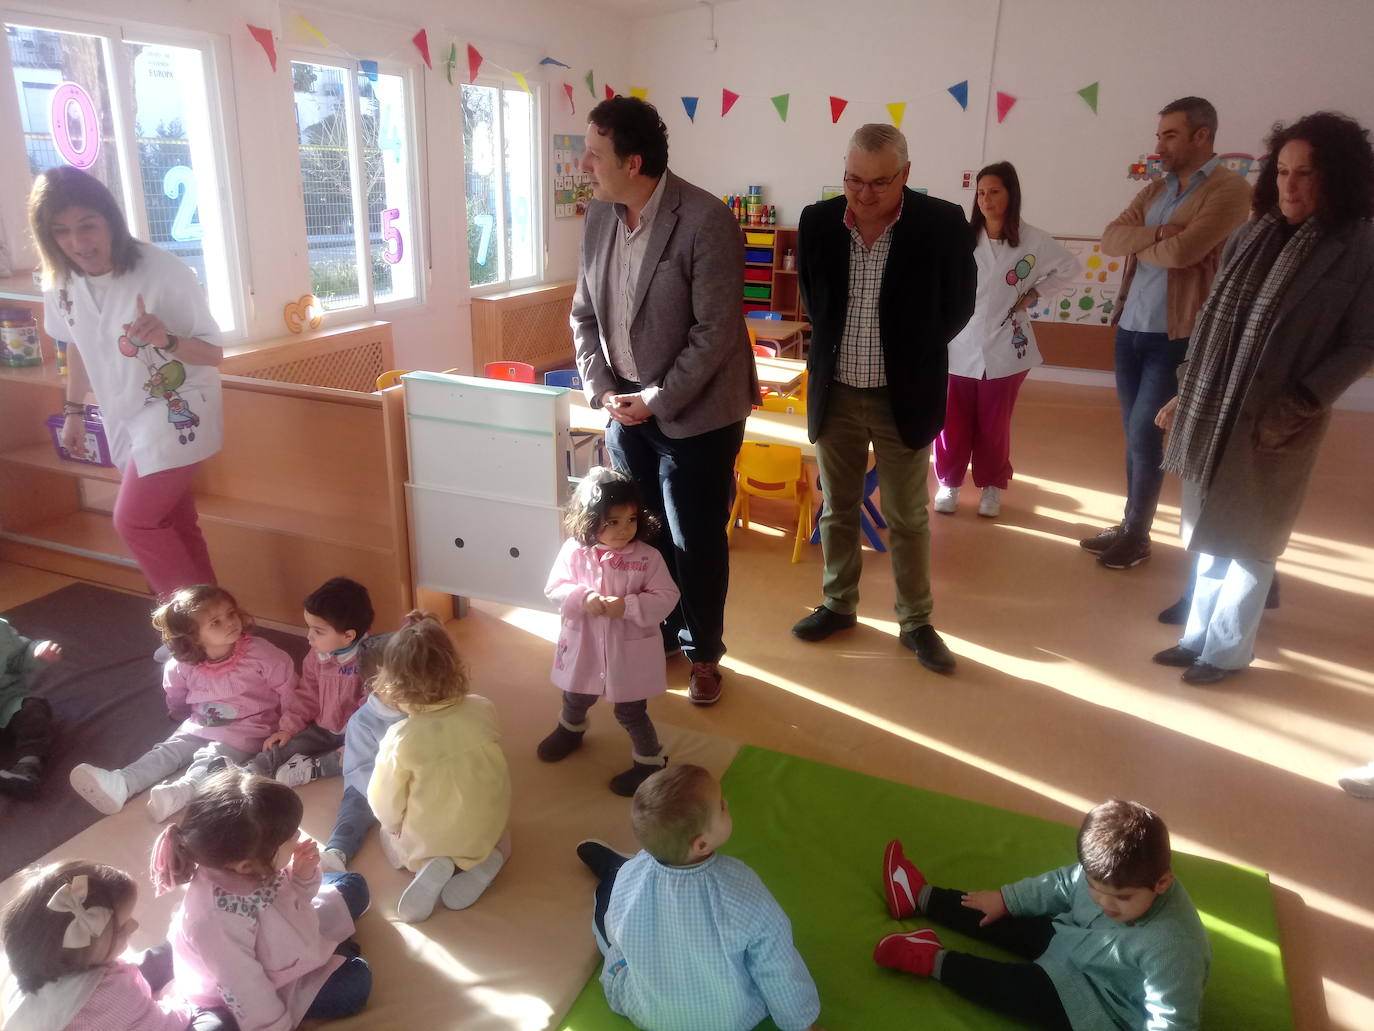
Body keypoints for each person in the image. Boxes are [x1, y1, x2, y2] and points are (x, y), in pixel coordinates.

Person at [1152, 111, 1374, 685]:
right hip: (1212, 406)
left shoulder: (1360, 248)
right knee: (1206, 532)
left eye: (1306, 174)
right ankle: (1196, 636)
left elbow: (1361, 343)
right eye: (1282, 172)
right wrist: (1185, 392)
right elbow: (1210, 322)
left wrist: (1303, 399)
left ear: (1339, 178)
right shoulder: (1251, 235)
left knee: (1252, 540)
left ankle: (1226, 652)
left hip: (1281, 418)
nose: (1290, 186)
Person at [571, 96, 758, 706]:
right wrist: (602, 388)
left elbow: (716, 333)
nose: (584, 166)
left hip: (696, 415)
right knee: (640, 535)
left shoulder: (705, 220)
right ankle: (662, 636)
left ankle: (704, 652)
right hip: (624, 410)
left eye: (594, 154)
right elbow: (584, 316)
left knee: (693, 539)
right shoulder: (600, 218)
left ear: (634, 160)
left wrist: (654, 398)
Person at [791, 124, 975, 674]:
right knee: (838, 509)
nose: (863, 194)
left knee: (908, 516)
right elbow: (812, 301)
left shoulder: (941, 223)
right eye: (852, 180)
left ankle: (916, 619)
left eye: (878, 182)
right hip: (837, 393)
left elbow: (959, 305)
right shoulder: (818, 222)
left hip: (905, 396)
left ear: (905, 175)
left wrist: (912, 355)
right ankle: (837, 604)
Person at [29, 166, 223, 601]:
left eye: (88, 226)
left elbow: (214, 355)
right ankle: (225, 631)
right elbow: (75, 343)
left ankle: (194, 636)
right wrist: (74, 412)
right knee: (174, 523)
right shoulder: (60, 279)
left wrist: (167, 339)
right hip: (122, 412)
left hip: (178, 409)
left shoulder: (162, 271)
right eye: (61, 232)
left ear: (110, 221)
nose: (78, 244)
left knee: (134, 520)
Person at [1085, 97, 1251, 570]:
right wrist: (1160, 235)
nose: (1158, 145)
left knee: (1144, 433)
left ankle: (1137, 535)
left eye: (1169, 135)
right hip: (1131, 328)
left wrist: (1156, 242)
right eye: (1159, 135)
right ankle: (1129, 522)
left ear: (1202, 136)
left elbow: (1187, 253)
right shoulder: (1156, 190)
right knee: (1132, 434)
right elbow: (1111, 238)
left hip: (1175, 334)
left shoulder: (1228, 190)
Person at [874, 800, 1209, 1030]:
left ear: (1162, 883)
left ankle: (931, 959)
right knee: (1001, 917)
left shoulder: (1174, 949)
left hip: (1098, 1004)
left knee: (1013, 989)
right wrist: (1006, 899)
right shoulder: (1101, 876)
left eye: (1122, 897)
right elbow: (1062, 884)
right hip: (1073, 940)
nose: (1106, 903)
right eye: (1095, 889)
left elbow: (1172, 1021)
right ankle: (919, 896)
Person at [576, 764, 823, 1031]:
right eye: (721, 805)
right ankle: (610, 870)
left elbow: (617, 935)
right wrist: (802, 1024)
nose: (726, 802)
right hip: (731, 1019)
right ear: (701, 844)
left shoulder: (630, 879)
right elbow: (777, 963)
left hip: (652, 1014)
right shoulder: (742, 888)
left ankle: (610, 870)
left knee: (610, 909)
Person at [152, 769, 371, 1030]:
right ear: (246, 866)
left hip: (285, 932)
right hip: (260, 980)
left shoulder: (248, 860)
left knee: (353, 885)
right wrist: (276, 1025)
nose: (298, 838)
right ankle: (333, 951)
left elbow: (289, 898)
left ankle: (332, 948)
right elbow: (246, 987)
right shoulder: (214, 920)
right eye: (290, 838)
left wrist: (301, 876)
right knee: (356, 983)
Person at [68, 585, 294, 822]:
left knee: (213, 758)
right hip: (204, 720)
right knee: (170, 750)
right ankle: (123, 782)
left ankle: (183, 791)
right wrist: (179, 713)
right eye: (215, 622)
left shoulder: (261, 653)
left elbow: (288, 687)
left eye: (231, 614)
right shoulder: (182, 664)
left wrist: (288, 727)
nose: (230, 623)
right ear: (193, 636)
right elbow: (176, 692)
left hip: (252, 726)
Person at [934, 162, 1078, 518]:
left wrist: (1036, 293)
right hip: (958, 347)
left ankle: (992, 487)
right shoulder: (962, 237)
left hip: (1006, 349)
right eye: (981, 193)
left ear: (1011, 194)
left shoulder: (1033, 240)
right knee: (951, 422)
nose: (985, 199)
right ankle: (949, 484)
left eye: (994, 191)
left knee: (994, 425)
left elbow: (1071, 268)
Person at [538, 468, 680, 796]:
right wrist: (582, 597)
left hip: (627, 650)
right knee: (576, 694)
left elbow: (667, 596)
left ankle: (649, 762)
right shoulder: (574, 552)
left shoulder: (647, 558)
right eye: (612, 522)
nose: (624, 530)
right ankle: (570, 729)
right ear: (588, 520)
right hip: (585, 643)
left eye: (630, 519)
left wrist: (628, 606)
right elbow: (555, 587)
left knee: (630, 709)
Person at [366, 612, 512, 923]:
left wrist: (391, 824)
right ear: (454, 668)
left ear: (394, 686)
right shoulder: (483, 708)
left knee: (388, 833)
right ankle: (488, 860)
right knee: (502, 837)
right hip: (485, 831)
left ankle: (422, 865)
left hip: (429, 842)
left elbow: (382, 800)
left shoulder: (401, 738)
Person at [0, 859, 236, 1031]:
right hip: (128, 1012)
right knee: (219, 1019)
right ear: (88, 948)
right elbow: (163, 1025)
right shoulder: (111, 994)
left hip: (96, 995)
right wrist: (183, 1000)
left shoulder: (40, 962)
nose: (134, 926)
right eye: (122, 927)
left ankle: (184, 941)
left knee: (156, 956)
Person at [247, 578, 378, 786]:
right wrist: (288, 729)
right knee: (284, 746)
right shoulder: (316, 656)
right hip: (322, 729)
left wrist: (356, 741)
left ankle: (313, 768)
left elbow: (371, 710)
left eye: (318, 631)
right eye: (309, 628)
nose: (309, 637)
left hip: (356, 734)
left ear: (348, 636)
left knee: (366, 756)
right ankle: (250, 771)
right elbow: (307, 695)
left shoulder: (372, 660)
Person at [0, 615, 61, 800]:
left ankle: (27, 767)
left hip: (8, 698)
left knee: (33, 709)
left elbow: (20, 654)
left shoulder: (2, 631)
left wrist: (36, 652)